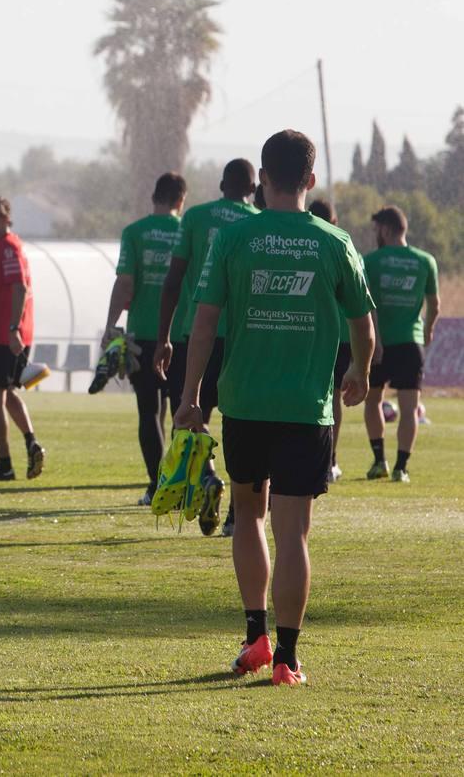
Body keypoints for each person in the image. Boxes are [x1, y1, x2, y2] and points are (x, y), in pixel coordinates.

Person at [176, 129, 374, 687]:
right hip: (306, 409)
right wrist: (359, 370)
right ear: (310, 180)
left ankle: (255, 635)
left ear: (262, 181)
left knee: (249, 517)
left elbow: (205, 324)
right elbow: (364, 324)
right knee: (295, 535)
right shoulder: (334, 242)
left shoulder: (235, 239)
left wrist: (192, 397)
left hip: (244, 402)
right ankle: (287, 658)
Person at [155, 159, 260, 536]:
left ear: (220, 184)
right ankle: (237, 512)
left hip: (196, 332)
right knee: (242, 423)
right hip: (243, 338)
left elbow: (173, 279)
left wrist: (163, 337)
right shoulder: (257, 223)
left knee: (189, 413)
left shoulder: (195, 218)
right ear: (252, 189)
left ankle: (208, 476)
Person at [101, 174, 198, 512]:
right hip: (182, 333)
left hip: (143, 332)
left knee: (148, 411)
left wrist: (111, 325)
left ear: (153, 196)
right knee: (181, 412)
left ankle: (157, 485)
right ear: (181, 200)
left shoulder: (135, 232)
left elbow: (125, 284)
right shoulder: (189, 230)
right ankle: (181, 485)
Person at [362, 205, 439, 484]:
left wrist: (376, 341)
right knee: (409, 409)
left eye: (376, 230)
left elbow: (367, 307)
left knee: (373, 402)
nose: (375, 235)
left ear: (385, 229)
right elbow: (435, 304)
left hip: (380, 344)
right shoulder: (425, 260)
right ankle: (401, 467)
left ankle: (379, 459)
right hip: (410, 342)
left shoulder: (370, 261)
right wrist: (427, 330)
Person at [0, 196, 44, 482]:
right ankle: (31, 442)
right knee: (10, 392)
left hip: (2, 335)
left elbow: (19, 288)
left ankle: (4, 466)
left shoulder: (7, 248)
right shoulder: (6, 247)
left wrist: (13, 327)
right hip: (9, 333)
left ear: (6, 218)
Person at [308, 199, 353, 481]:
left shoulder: (305, 244)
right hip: (342, 337)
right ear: (333, 221)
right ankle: (329, 460)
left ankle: (320, 460)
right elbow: (365, 308)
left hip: (311, 333)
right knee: (332, 397)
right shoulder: (343, 246)